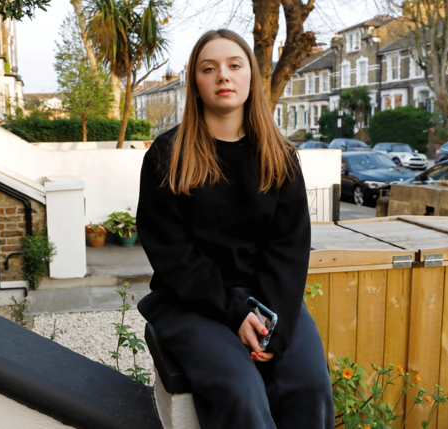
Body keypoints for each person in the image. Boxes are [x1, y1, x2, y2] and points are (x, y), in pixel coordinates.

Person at [135, 29, 334, 428]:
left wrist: (271, 326)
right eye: (209, 69)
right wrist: (235, 311)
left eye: (234, 65)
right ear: (196, 83)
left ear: (250, 78)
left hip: (269, 299)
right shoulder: (168, 156)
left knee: (310, 387)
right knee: (241, 391)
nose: (223, 76)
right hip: (191, 301)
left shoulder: (281, 157)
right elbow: (174, 256)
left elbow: (288, 250)